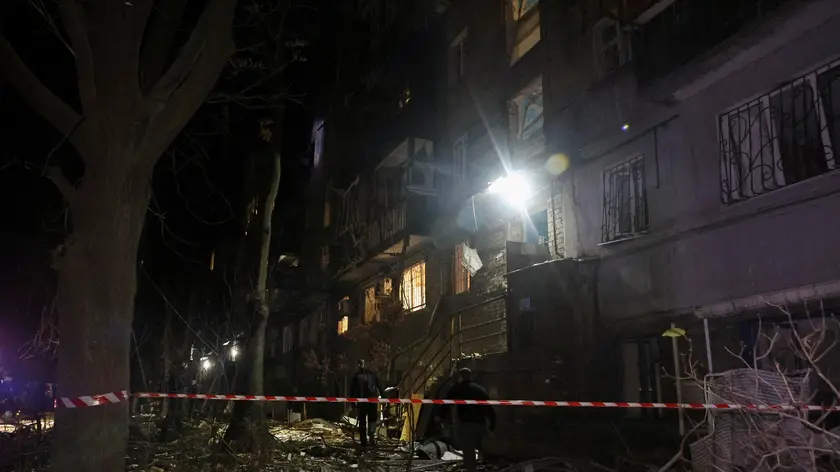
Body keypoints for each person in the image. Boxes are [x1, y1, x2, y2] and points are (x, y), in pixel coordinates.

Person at [444, 368, 495, 472]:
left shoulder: (458, 389)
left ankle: (472, 469)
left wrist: (440, 416)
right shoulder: (480, 390)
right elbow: (489, 409)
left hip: (466, 425)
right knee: (481, 447)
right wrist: (492, 427)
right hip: (480, 425)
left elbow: (447, 403)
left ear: (460, 377)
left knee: (468, 451)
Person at [350, 359, 383, 449]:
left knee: (362, 422)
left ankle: (364, 441)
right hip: (372, 401)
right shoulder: (373, 375)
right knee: (372, 420)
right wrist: (384, 398)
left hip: (362, 402)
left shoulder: (357, 376)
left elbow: (352, 390)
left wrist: (352, 402)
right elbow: (380, 386)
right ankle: (371, 439)